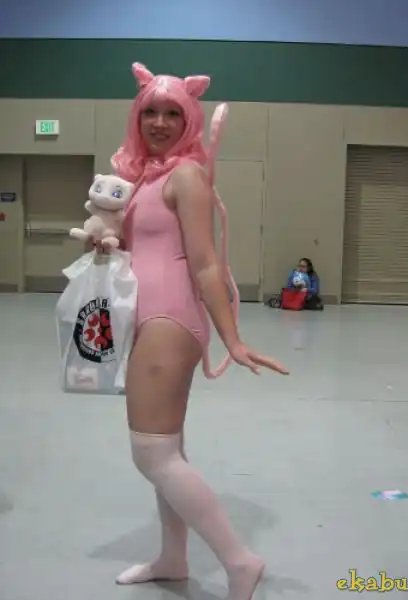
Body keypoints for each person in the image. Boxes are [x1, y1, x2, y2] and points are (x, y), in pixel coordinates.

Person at [94, 62, 289, 600]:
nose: (159, 122)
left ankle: (240, 561)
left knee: (151, 453)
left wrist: (232, 338)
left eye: (172, 113)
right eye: (150, 112)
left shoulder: (186, 176)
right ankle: (173, 557)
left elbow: (205, 265)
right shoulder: (141, 175)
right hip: (143, 316)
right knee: (169, 446)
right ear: (137, 116)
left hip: (169, 319)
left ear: (190, 120)